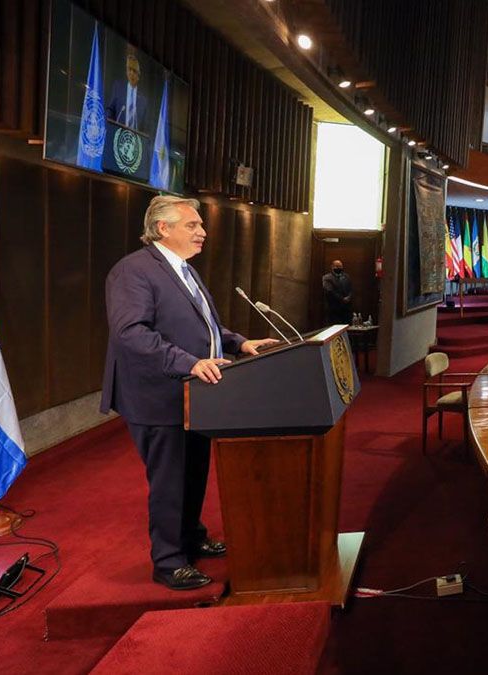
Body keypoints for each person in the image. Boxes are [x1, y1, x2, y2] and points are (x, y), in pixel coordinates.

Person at [101, 196, 279, 590]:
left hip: (197, 393)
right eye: (193, 226)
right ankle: (168, 561)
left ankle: (191, 537)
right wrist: (188, 363)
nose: (203, 232)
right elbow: (131, 333)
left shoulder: (182, 269)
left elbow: (202, 327)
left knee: (194, 471)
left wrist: (238, 343)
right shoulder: (133, 271)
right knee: (169, 479)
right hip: (158, 396)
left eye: (201, 226)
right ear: (163, 229)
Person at [107, 51, 148, 131]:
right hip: (118, 135)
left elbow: (144, 127)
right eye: (129, 69)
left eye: (134, 70)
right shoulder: (118, 87)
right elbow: (110, 111)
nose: (131, 73)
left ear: (139, 75)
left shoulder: (143, 100)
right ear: (126, 72)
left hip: (134, 140)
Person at [322, 260, 353, 325]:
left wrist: (349, 297)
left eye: (341, 266)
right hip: (333, 309)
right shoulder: (327, 277)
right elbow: (330, 291)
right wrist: (342, 299)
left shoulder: (346, 277)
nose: (339, 268)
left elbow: (350, 288)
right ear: (332, 267)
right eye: (337, 266)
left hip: (346, 310)